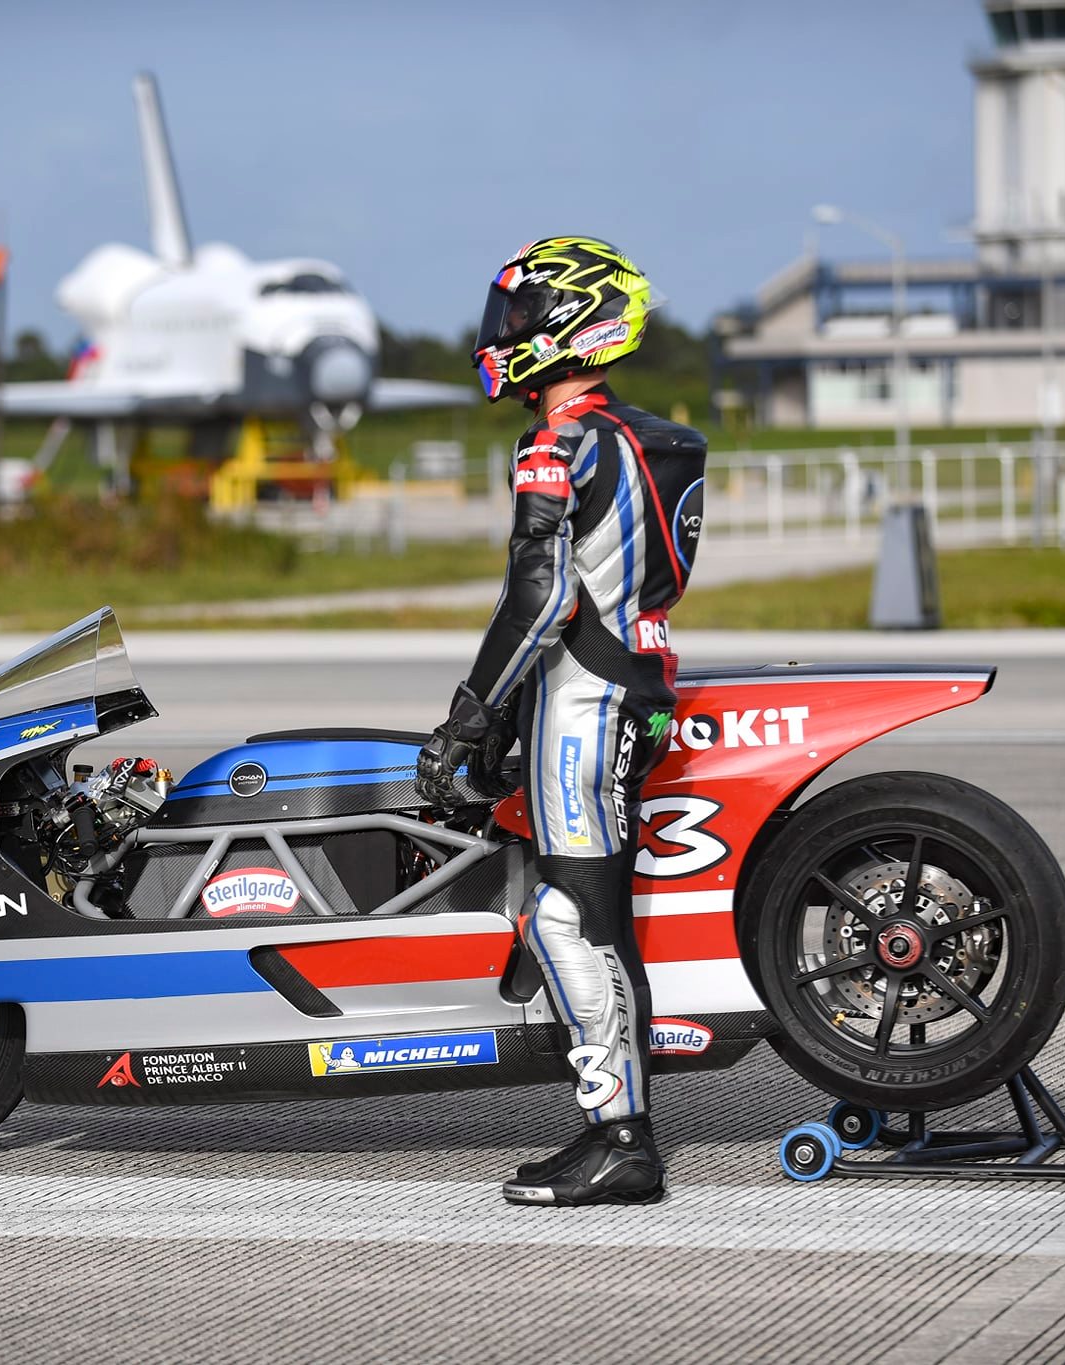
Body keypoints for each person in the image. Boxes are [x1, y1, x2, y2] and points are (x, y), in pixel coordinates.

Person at [416, 237, 707, 1206]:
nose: (498, 336)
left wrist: (468, 716)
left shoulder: (558, 445)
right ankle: (616, 1130)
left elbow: (538, 600)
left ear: (566, 325)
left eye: (514, 315)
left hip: (580, 704)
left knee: (568, 921)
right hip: (627, 689)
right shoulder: (647, 441)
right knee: (592, 919)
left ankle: (621, 1139)